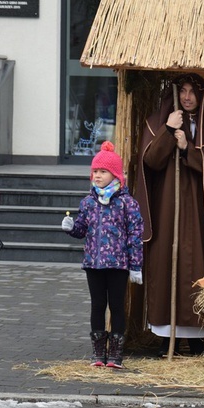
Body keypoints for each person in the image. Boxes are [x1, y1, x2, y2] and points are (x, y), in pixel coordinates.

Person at [135, 73, 204, 356]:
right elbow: (150, 161)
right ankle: (164, 337)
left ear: (202, 94)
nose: (186, 97)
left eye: (192, 91)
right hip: (167, 208)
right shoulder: (159, 120)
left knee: (198, 265)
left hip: (200, 212)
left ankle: (198, 337)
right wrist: (168, 132)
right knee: (165, 264)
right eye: (181, 91)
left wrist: (188, 149)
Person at [62, 141, 144, 369]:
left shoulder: (128, 204)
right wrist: (70, 227)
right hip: (93, 264)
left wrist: (136, 265)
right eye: (94, 172)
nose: (97, 176)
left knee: (116, 305)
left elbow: (135, 235)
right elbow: (81, 230)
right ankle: (98, 353)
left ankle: (116, 354)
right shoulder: (88, 202)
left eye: (102, 172)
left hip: (118, 265)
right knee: (97, 305)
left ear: (115, 174)